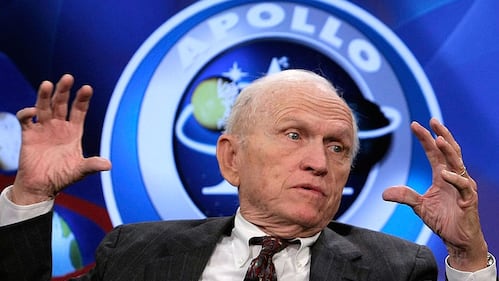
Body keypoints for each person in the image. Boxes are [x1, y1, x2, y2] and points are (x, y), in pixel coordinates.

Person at [0, 70, 496, 281]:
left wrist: (469, 257)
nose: (319, 163)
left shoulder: (397, 269)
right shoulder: (132, 252)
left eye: (338, 147)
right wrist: (28, 198)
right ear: (231, 159)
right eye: (294, 135)